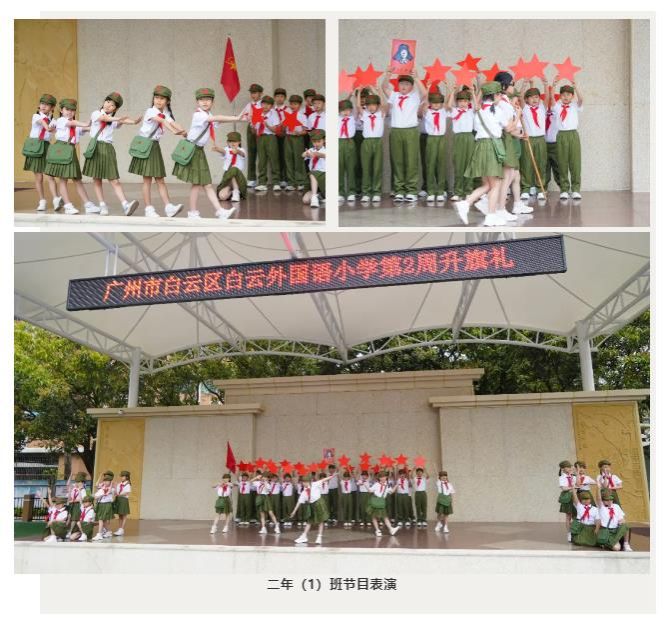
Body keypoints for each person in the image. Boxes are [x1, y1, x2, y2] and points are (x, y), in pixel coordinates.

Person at [171, 87, 241, 219]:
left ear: (212, 102)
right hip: (193, 151)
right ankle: (194, 212)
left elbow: (218, 120)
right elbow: (216, 118)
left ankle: (218, 211)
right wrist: (236, 117)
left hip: (199, 152)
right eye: (202, 100)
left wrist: (239, 119)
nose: (205, 102)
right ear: (197, 102)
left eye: (208, 100)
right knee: (197, 184)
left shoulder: (208, 115)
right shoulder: (199, 115)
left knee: (206, 184)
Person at [454, 81, 511, 227]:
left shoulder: (477, 110)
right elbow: (509, 128)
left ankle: (466, 204)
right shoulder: (497, 111)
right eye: (499, 94)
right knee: (495, 184)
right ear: (495, 95)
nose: (500, 97)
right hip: (491, 146)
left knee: (487, 184)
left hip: (480, 147)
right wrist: (517, 114)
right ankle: (489, 215)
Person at [128, 84, 185, 217]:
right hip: (146, 146)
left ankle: (169, 207)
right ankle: (149, 209)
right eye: (156, 97)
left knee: (160, 179)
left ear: (167, 101)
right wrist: (174, 131)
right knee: (147, 180)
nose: (158, 100)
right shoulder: (151, 111)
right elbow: (162, 121)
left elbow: (172, 122)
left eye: (162, 98)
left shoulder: (166, 113)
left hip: (154, 147)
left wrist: (185, 132)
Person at [82, 91, 140, 216]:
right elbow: (104, 118)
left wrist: (134, 122)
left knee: (114, 179)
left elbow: (122, 122)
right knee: (97, 179)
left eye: (113, 105)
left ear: (115, 109)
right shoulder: (96, 113)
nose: (108, 105)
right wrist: (119, 118)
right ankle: (102, 205)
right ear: (104, 101)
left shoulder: (113, 120)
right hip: (95, 147)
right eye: (108, 101)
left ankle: (125, 205)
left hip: (108, 149)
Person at [43, 98, 97, 215]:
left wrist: (97, 125)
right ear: (61, 110)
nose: (70, 112)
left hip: (71, 151)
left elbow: (85, 128)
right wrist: (87, 122)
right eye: (67, 109)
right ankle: (68, 205)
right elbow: (74, 123)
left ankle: (88, 204)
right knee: (63, 179)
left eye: (72, 110)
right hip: (62, 149)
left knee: (77, 179)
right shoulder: (61, 120)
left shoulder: (75, 124)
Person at [381, 69, 427, 202]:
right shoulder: (394, 96)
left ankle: (411, 190)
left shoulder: (415, 96)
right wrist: (388, 75)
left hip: (411, 131)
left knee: (411, 161)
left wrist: (416, 78)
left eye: (407, 84)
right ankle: (399, 189)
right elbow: (384, 87)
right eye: (401, 84)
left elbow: (425, 93)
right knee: (397, 161)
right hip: (396, 131)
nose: (404, 86)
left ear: (411, 86)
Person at [22, 93, 62, 211]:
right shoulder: (36, 116)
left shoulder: (54, 120)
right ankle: (42, 201)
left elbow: (58, 131)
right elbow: (46, 126)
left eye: (47, 104)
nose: (43, 106)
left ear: (52, 107)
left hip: (46, 147)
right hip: (35, 148)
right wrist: (51, 128)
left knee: (50, 175)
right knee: (38, 177)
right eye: (42, 103)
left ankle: (56, 199)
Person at [549, 80, 584, 200]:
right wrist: (553, 86)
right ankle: (564, 189)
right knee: (562, 162)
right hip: (561, 135)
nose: (565, 97)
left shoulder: (575, 106)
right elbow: (552, 99)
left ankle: (575, 189)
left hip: (573, 135)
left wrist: (576, 87)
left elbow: (581, 99)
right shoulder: (557, 106)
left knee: (575, 163)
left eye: (568, 94)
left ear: (572, 96)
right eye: (563, 95)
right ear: (560, 96)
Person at [356, 88, 386, 203]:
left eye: (374, 105)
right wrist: (359, 92)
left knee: (377, 168)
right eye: (368, 105)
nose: (371, 107)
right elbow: (358, 106)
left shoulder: (381, 114)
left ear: (377, 105)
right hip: (366, 142)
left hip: (377, 142)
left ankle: (376, 192)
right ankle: (366, 193)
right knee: (366, 168)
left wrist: (376, 90)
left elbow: (383, 103)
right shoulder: (364, 114)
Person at [519, 82, 548, 201]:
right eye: (531, 97)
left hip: (540, 139)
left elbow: (547, 97)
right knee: (526, 164)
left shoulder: (542, 108)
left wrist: (545, 84)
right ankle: (526, 188)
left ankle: (540, 188)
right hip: (528, 139)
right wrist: (524, 84)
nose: (534, 99)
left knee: (541, 163)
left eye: (536, 97)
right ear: (527, 99)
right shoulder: (524, 108)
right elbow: (520, 96)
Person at [446, 86, 475, 202]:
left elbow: (477, 106)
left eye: (465, 101)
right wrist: (453, 91)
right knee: (458, 164)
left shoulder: (471, 111)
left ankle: (468, 191)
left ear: (468, 102)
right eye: (460, 101)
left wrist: (473, 93)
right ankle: (458, 191)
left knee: (469, 165)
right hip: (458, 138)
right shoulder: (454, 111)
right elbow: (448, 106)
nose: (463, 103)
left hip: (469, 137)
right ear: (457, 102)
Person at [420, 86, 448, 202]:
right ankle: (430, 191)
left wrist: (449, 88)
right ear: (430, 103)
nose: (436, 105)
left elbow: (447, 102)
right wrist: (427, 90)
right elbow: (425, 103)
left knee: (441, 164)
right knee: (430, 164)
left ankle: (440, 190)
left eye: (438, 103)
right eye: (434, 102)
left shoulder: (443, 111)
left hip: (441, 138)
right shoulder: (427, 112)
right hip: (431, 139)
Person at [290, 473, 336, 544]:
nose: (303, 483)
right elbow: (299, 502)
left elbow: (323, 480)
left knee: (321, 520)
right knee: (309, 521)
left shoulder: (315, 484)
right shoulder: (304, 492)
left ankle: (319, 537)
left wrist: (332, 476)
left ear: (309, 481)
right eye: (303, 482)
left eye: (305, 482)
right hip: (311, 506)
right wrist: (294, 511)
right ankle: (304, 536)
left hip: (319, 503)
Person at [253, 95, 282, 192]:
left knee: (274, 159)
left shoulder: (273, 113)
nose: (265, 106)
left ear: (271, 106)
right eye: (263, 104)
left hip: (270, 137)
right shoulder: (257, 112)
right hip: (260, 137)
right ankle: (262, 183)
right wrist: (253, 125)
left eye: (268, 104)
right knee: (262, 161)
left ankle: (276, 183)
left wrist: (267, 125)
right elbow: (254, 130)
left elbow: (275, 130)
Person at [283, 95, 309, 191]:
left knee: (298, 159)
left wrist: (299, 133)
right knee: (288, 159)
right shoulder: (287, 115)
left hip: (298, 139)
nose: (293, 106)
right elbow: (283, 128)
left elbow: (305, 131)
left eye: (295, 104)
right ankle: (291, 182)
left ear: (300, 105)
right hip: (288, 138)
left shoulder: (302, 116)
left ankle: (300, 181)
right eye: (291, 104)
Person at [213, 131, 247, 204]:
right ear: (228, 142)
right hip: (227, 178)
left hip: (238, 178)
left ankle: (236, 191)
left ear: (239, 142)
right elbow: (224, 151)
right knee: (222, 196)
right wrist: (218, 149)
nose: (233, 143)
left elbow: (243, 154)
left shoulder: (241, 150)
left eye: (235, 141)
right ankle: (232, 192)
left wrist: (237, 151)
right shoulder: (227, 149)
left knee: (234, 169)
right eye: (230, 141)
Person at [241, 83, 264, 188]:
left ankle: (262, 180)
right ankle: (251, 178)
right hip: (251, 128)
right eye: (252, 93)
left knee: (262, 155)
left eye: (255, 93)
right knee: (251, 153)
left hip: (261, 129)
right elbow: (243, 116)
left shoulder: (263, 105)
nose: (253, 95)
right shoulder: (249, 105)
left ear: (260, 93)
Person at [368, 471, 401, 537]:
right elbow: (370, 491)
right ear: (379, 478)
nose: (383, 478)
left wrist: (396, 485)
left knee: (384, 516)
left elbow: (391, 492)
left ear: (386, 477)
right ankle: (378, 530)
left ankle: (391, 529)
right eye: (381, 477)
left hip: (381, 501)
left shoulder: (387, 485)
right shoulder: (376, 484)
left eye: (384, 476)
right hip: (375, 500)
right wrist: (364, 485)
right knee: (374, 516)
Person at [338, 99, 357, 203]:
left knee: (350, 167)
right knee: (339, 168)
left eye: (348, 110)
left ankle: (351, 192)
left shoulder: (353, 118)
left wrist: (353, 95)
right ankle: (340, 192)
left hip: (349, 142)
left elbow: (358, 109)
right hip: (339, 142)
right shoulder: (336, 118)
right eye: (343, 110)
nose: (345, 112)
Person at [302, 129, 326, 208]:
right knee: (305, 200)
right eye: (314, 142)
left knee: (313, 173)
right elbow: (303, 155)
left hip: (323, 177)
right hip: (313, 181)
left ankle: (315, 198)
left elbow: (322, 155)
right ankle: (317, 196)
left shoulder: (326, 150)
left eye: (319, 141)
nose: (317, 144)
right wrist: (306, 153)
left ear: (324, 140)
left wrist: (315, 154)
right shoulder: (311, 150)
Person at [92, 471, 115, 541]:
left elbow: (107, 493)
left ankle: (99, 534)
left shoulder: (111, 489)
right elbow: (96, 487)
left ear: (110, 482)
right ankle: (108, 532)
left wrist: (97, 496)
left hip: (106, 504)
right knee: (103, 520)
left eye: (107, 481)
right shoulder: (102, 487)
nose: (105, 482)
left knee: (101, 519)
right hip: (101, 504)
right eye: (104, 481)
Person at [558, 459, 576, 541]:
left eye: (570, 467)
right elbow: (564, 488)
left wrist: (575, 474)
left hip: (575, 496)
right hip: (568, 496)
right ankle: (569, 533)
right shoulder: (562, 477)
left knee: (576, 515)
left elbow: (577, 484)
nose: (569, 468)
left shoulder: (573, 476)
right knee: (568, 516)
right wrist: (572, 487)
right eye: (567, 467)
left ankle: (575, 531)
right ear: (562, 469)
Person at [113, 470, 132, 536]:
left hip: (123, 500)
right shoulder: (119, 484)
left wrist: (119, 494)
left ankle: (122, 529)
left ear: (127, 477)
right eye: (121, 476)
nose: (122, 477)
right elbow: (116, 492)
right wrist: (115, 487)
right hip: (119, 499)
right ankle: (120, 528)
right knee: (120, 515)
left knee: (124, 515)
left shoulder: (128, 484)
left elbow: (127, 492)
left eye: (123, 476)